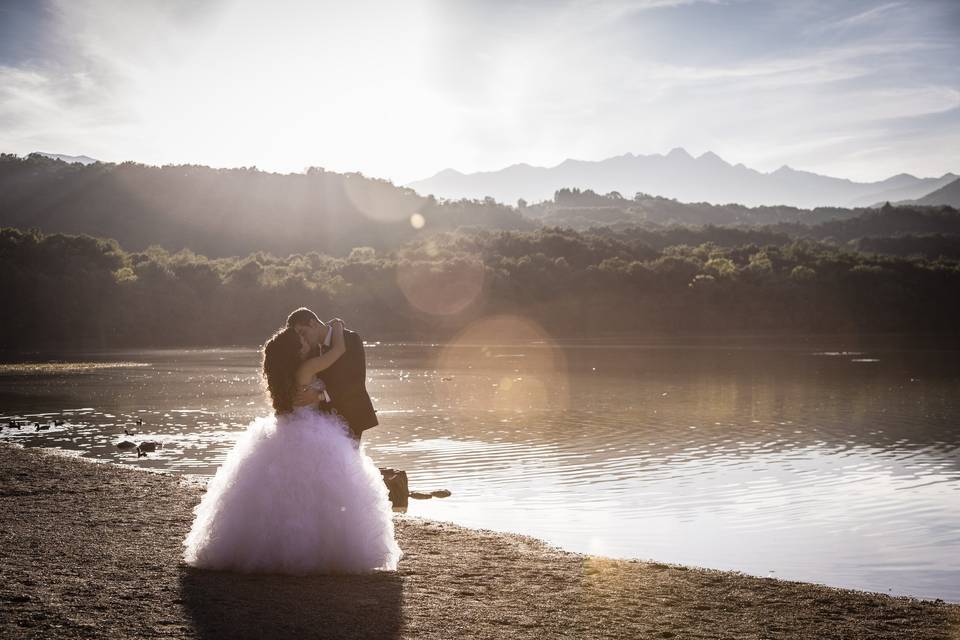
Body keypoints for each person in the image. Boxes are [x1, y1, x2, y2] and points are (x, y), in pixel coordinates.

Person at [182, 320, 401, 574]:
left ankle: (273, 546)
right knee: (320, 490)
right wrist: (338, 328)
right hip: (314, 430)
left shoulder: (284, 375)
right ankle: (322, 550)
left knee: (284, 491)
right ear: (294, 351)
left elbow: (351, 380)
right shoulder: (306, 368)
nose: (306, 342)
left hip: (292, 428)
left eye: (304, 336)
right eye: (301, 341)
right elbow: (337, 352)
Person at [287, 307, 378, 440]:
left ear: (313, 323)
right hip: (325, 421)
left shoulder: (350, 338)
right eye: (299, 336)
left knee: (347, 460)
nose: (303, 339)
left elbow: (355, 381)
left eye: (303, 332)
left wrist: (319, 396)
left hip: (351, 413)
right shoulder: (310, 350)